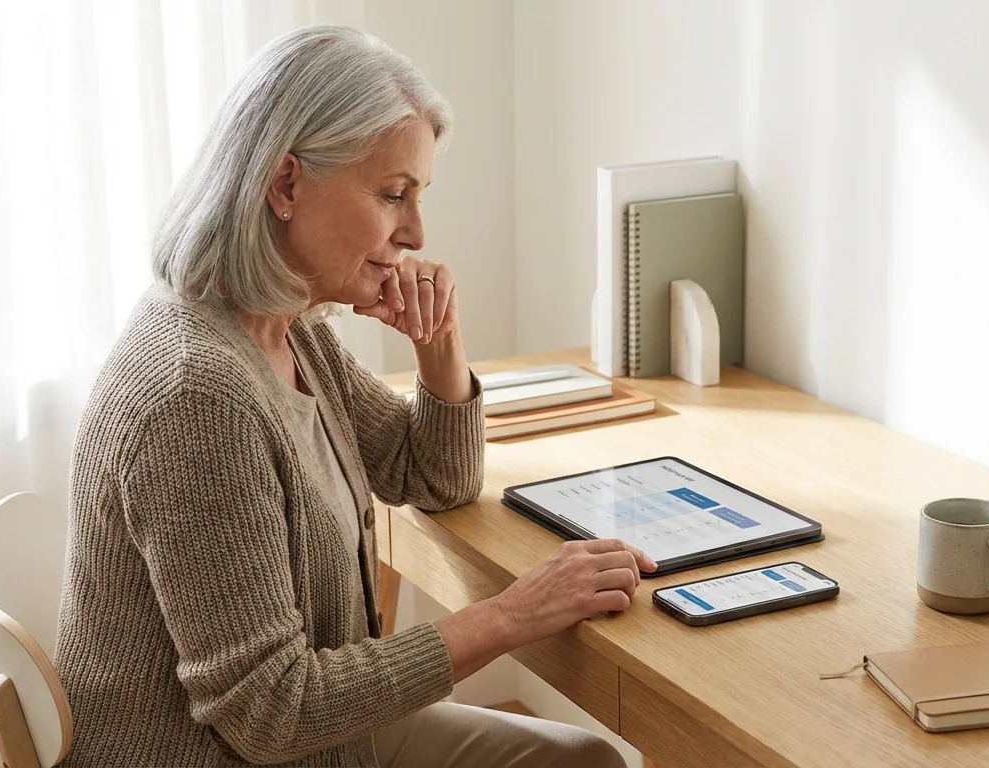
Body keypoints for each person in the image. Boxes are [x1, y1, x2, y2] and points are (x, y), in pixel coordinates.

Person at [55, 25, 656, 768]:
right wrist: (510, 615)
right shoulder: (197, 398)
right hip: (223, 752)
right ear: (284, 186)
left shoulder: (285, 328)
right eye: (393, 195)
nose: (416, 231)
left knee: (590, 761)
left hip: (312, 736)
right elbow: (270, 712)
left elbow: (430, 476)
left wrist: (440, 344)